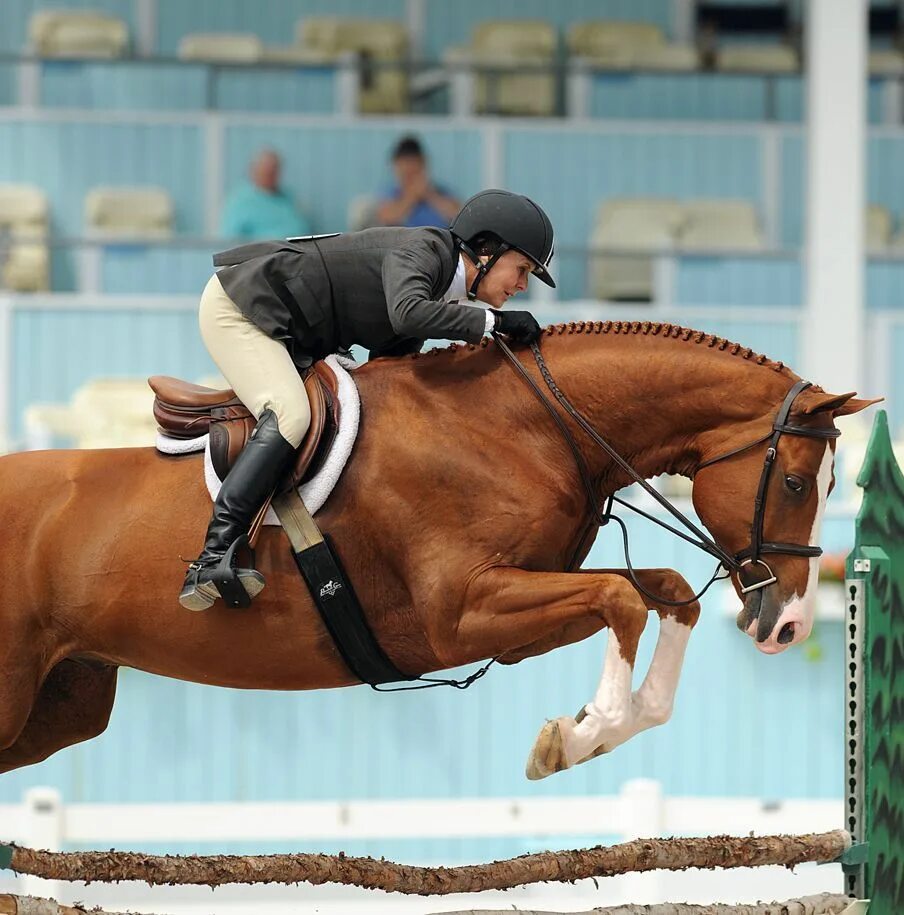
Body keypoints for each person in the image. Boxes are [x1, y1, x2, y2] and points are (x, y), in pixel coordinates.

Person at [179, 189, 556, 612]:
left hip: (288, 327)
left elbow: (394, 369)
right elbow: (408, 312)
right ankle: (213, 556)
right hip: (243, 308)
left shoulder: (441, 290)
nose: (522, 285)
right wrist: (495, 322)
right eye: (521, 268)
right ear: (487, 249)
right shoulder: (426, 249)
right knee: (291, 414)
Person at [220, 149, 312, 241]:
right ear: (253, 171)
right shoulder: (240, 201)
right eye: (266, 171)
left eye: (274, 170)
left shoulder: (288, 197)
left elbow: (302, 227)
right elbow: (230, 240)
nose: (270, 175)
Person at [374, 136, 460, 229]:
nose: (409, 168)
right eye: (404, 164)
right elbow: (386, 217)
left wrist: (429, 194)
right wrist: (412, 196)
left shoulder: (440, 191)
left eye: (413, 163)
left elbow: (458, 215)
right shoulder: (391, 193)